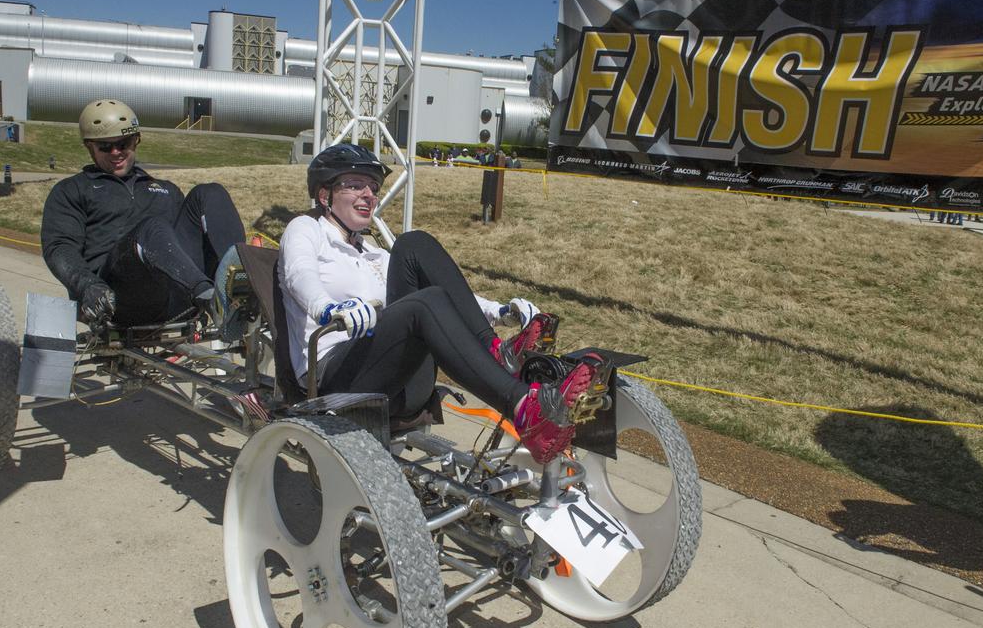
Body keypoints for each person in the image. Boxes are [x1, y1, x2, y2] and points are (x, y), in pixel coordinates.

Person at [277, 143, 603, 463]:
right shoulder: (306, 229)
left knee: (414, 244)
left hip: (397, 380)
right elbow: (298, 275)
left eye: (372, 187)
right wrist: (328, 308)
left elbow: (445, 293)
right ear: (324, 195)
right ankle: (523, 408)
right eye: (354, 185)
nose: (369, 195)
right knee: (424, 302)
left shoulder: (374, 251)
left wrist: (498, 311)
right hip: (338, 379)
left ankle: (496, 352)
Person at [41, 99, 245, 330]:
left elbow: (181, 244)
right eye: (105, 147)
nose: (116, 152)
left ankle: (241, 285)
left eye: (123, 143)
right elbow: (60, 248)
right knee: (151, 229)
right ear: (89, 146)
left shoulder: (165, 189)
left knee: (209, 192)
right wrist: (88, 286)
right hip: (119, 297)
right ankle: (212, 299)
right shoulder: (72, 190)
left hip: (175, 294)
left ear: (136, 140)